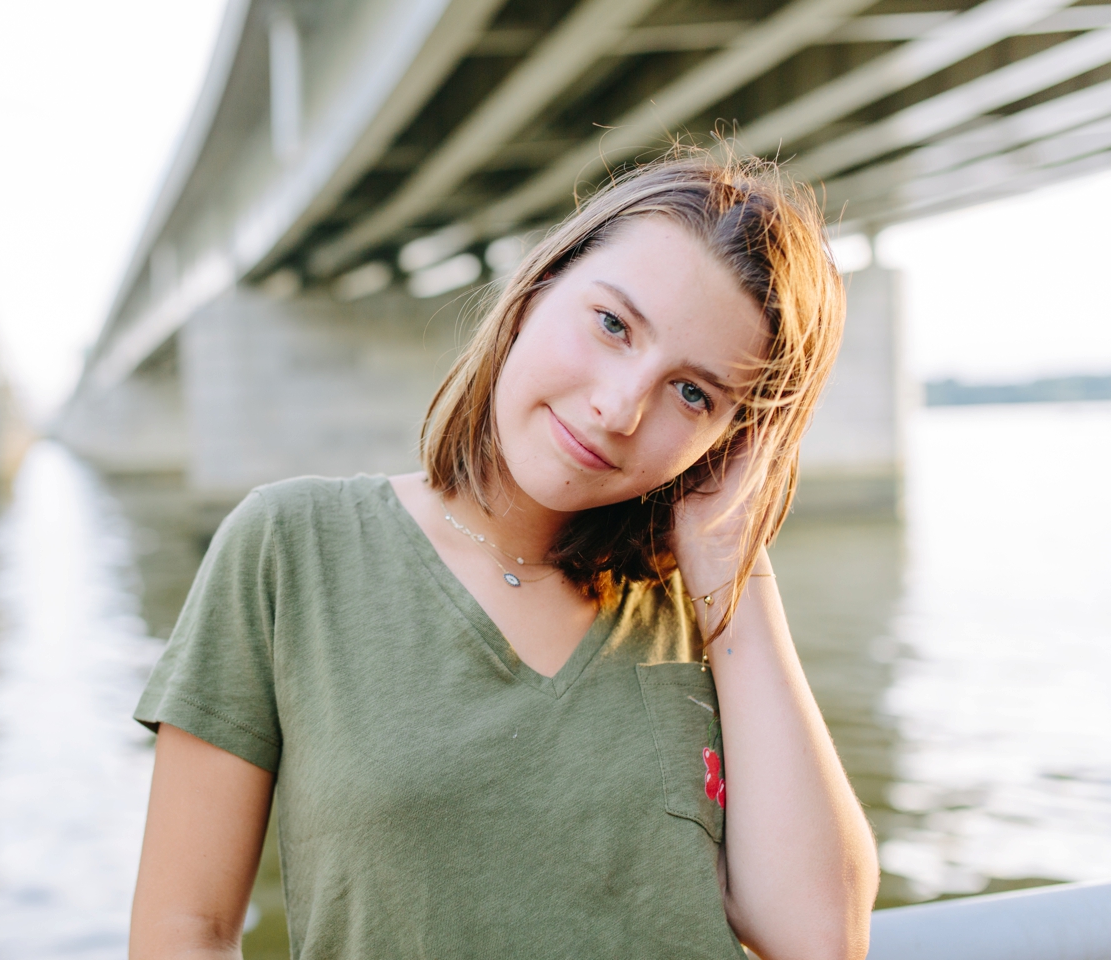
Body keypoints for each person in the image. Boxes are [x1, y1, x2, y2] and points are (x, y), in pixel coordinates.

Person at [128, 150, 879, 960]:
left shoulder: (700, 612)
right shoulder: (292, 546)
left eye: (693, 393)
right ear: (536, 290)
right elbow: (186, 929)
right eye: (613, 325)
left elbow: (818, 941)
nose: (619, 407)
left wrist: (736, 574)